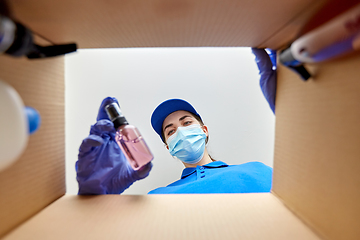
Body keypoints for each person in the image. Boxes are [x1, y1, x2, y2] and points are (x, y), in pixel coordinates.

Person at [76, 48, 277, 195]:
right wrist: (97, 202)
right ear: (168, 147)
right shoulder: (159, 197)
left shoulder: (258, 171)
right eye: (170, 131)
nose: (180, 131)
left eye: (187, 123)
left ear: (204, 130)